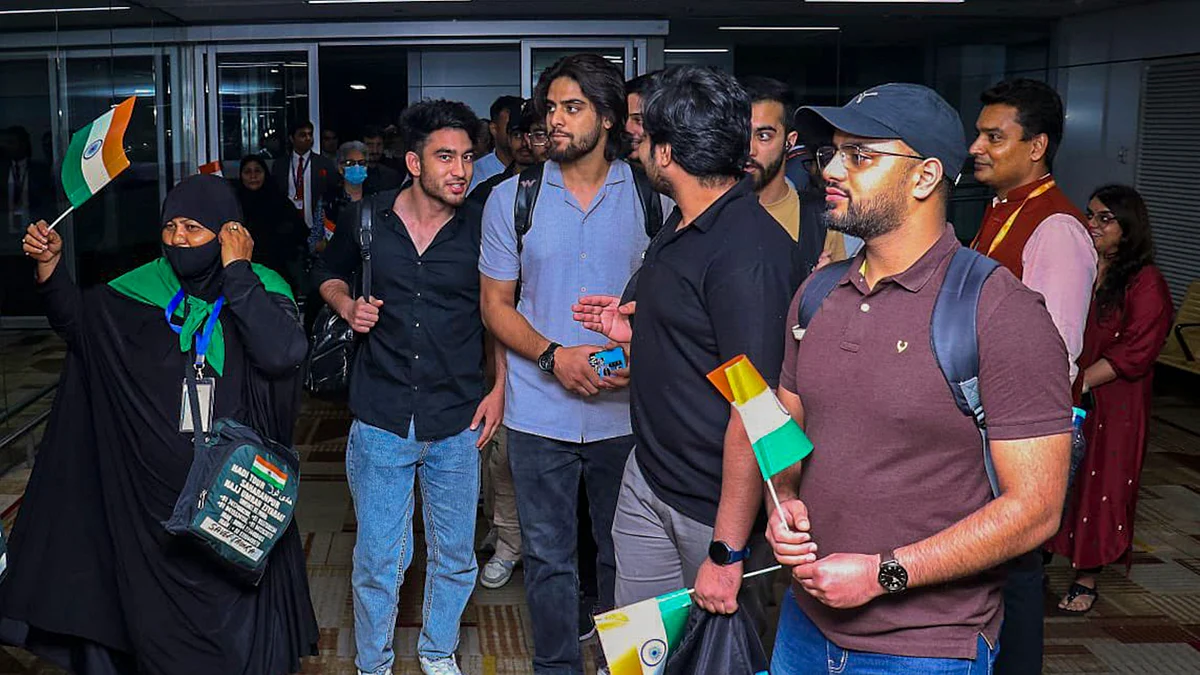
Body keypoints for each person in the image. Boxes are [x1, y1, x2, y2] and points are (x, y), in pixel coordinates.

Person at [764, 83, 1073, 674]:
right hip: (804, 627)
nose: (831, 168)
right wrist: (786, 501)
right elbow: (787, 428)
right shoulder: (817, 293)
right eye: (834, 151)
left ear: (926, 177)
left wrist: (885, 574)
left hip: (927, 647)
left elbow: (1035, 510)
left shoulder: (999, 311)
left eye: (860, 155)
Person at [2, 174, 318, 674]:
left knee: (240, 641)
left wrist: (238, 272)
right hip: (149, 511)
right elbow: (80, 327)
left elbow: (283, 353)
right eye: (170, 226)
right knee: (155, 639)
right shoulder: (142, 289)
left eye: (194, 227)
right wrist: (49, 266)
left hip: (232, 503)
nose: (178, 239)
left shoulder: (260, 289)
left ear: (227, 231)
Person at [572, 64, 796, 626]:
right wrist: (642, 332)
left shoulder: (748, 252)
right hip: (649, 475)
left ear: (666, 153)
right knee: (640, 653)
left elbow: (758, 409)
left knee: (719, 658)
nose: (635, 146)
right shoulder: (680, 225)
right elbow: (704, 338)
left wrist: (727, 550)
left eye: (642, 136)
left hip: (712, 507)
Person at [313, 100, 503, 675]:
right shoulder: (367, 219)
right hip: (381, 411)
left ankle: (438, 652)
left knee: (454, 555)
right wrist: (346, 305)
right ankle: (374, 662)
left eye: (468, 157)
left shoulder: (482, 225)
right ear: (415, 162)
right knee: (378, 558)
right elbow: (324, 273)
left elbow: (498, 311)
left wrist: (498, 389)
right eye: (446, 157)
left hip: (457, 414)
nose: (461, 170)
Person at [479, 54, 648, 675]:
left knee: (623, 555)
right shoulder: (510, 200)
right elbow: (495, 306)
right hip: (538, 411)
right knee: (549, 559)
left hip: (625, 414)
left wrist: (637, 351)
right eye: (549, 107)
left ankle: (622, 665)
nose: (554, 120)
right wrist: (554, 356)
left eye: (571, 107)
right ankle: (555, 668)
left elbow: (674, 299)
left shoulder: (651, 196)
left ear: (606, 119)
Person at [967, 77, 1097, 674]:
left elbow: (1056, 356)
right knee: (988, 568)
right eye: (979, 133)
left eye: (995, 136)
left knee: (1016, 571)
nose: (978, 147)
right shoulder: (1000, 212)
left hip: (1024, 433)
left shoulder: (1059, 228)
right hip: (991, 424)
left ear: (1037, 146)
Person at [1045, 185, 1174, 614]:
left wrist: (1079, 383)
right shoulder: (1082, 265)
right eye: (1090, 215)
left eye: (1105, 219)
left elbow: (1137, 349)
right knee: (1058, 475)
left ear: (1128, 226)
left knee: (1103, 482)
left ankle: (1086, 576)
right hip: (1069, 387)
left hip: (1115, 399)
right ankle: (1042, 551)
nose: (1093, 225)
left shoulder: (1145, 281)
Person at [741, 76, 846, 283]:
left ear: (790, 142)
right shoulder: (709, 212)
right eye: (740, 134)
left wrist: (822, 289)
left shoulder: (820, 217)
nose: (749, 149)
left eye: (763, 136)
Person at [235, 154, 309, 294]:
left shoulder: (280, 202)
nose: (253, 176)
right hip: (244, 269)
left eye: (257, 171)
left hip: (279, 270)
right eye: (247, 172)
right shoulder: (234, 203)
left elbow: (300, 233)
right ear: (241, 175)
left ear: (265, 174)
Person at [274, 120, 339, 244]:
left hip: (316, 227)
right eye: (302, 135)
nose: (308, 138)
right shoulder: (280, 165)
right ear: (292, 138)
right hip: (287, 228)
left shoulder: (324, 164)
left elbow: (331, 192)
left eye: (310, 134)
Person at [317, 141, 370, 252]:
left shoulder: (375, 198)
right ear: (340, 168)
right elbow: (314, 241)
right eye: (350, 163)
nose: (356, 167)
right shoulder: (328, 200)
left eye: (361, 163)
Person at [1, 126, 54, 231]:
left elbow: (48, 204)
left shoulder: (41, 171)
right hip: (4, 233)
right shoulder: (2, 171)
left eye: (11, 142)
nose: (7, 147)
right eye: (5, 143)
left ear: (23, 144)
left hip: (35, 232)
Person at [469, 95, 524, 193]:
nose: (519, 132)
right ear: (494, 129)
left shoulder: (537, 168)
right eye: (510, 126)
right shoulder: (474, 173)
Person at [362, 125, 405, 196]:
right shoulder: (354, 174)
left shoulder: (393, 175)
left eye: (379, 145)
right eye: (370, 145)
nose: (375, 150)